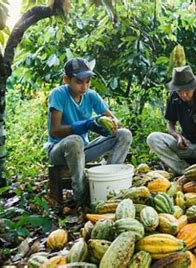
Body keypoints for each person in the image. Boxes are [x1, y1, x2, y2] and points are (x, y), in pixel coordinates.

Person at [47, 58, 132, 208]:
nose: (84, 86)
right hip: (59, 151)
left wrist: (106, 122)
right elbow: (55, 131)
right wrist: (86, 124)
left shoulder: (91, 95)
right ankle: (82, 198)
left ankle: (109, 182)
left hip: (82, 150)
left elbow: (114, 119)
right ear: (66, 79)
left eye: (87, 81)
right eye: (79, 82)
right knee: (74, 140)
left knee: (124, 134)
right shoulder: (58, 94)